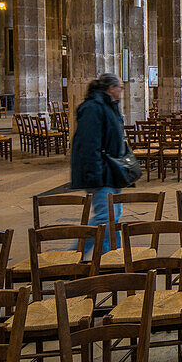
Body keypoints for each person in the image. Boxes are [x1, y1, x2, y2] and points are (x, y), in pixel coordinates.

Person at [70, 72, 126, 255]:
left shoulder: (108, 106)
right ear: (111, 88)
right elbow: (88, 144)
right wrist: (95, 174)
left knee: (113, 216)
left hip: (111, 171)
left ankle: (110, 256)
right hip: (101, 173)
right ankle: (72, 256)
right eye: (120, 87)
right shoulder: (93, 108)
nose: (122, 91)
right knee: (104, 217)